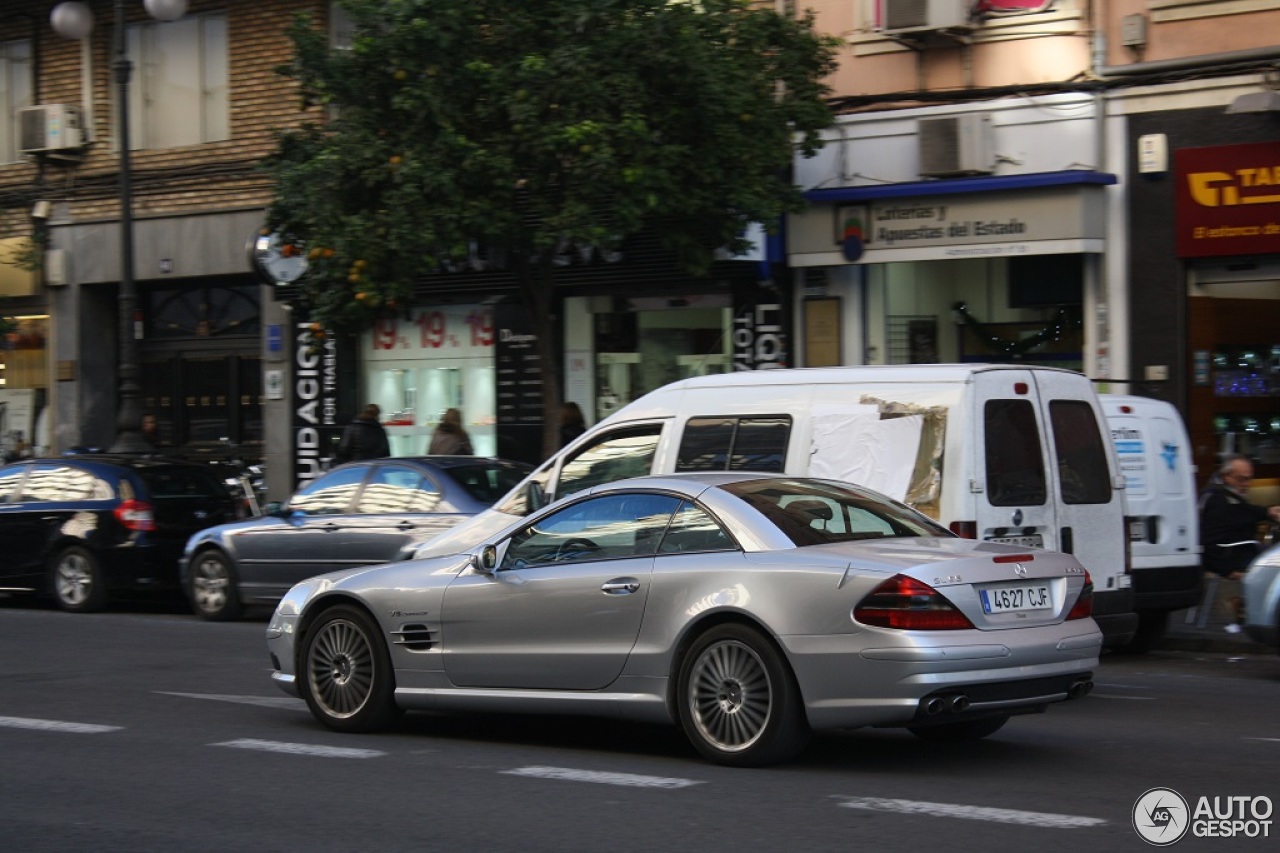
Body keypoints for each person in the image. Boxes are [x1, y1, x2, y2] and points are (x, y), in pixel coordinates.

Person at [1198, 454, 1280, 631]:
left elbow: (1242, 512)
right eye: (1241, 479)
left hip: (1237, 555)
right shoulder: (1218, 500)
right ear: (1227, 476)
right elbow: (1209, 541)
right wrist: (1227, 570)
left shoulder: (1224, 495)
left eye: (1249, 479)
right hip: (1229, 559)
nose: (1246, 484)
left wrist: (1267, 512)